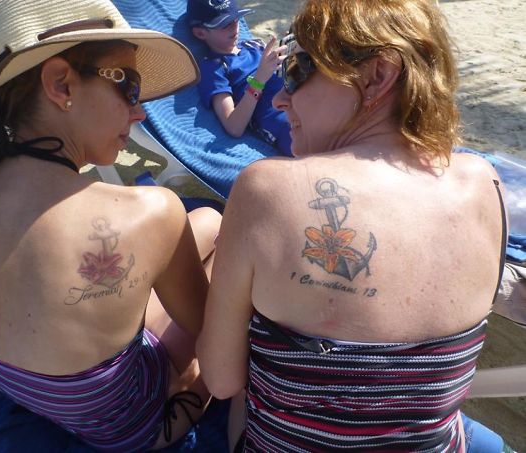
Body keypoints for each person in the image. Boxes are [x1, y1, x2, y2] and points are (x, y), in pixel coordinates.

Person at [196, 0, 516, 451]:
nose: (282, 97)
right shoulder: (486, 182)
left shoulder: (267, 190)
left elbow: (222, 378)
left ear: (378, 76)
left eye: (297, 70)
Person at [0, 0, 222, 451]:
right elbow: (208, 334)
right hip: (136, 429)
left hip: (45, 400)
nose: (139, 113)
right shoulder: (151, 212)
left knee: (205, 220)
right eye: (130, 88)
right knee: (217, 230)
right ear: (61, 83)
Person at [187, 0, 293, 157]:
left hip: (309, 103)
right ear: (200, 33)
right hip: (287, 126)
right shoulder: (213, 67)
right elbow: (234, 126)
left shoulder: (253, 45)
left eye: (236, 19)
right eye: (224, 24)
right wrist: (259, 80)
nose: (234, 27)